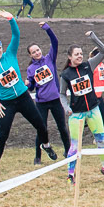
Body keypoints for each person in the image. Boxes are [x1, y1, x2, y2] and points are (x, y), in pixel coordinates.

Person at [0, 14, 54, 168]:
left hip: (23, 97)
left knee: (40, 125)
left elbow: (16, 34)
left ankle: (46, 145)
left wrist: (11, 20)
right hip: (7, 102)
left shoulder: (10, 54)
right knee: (3, 135)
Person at [61, 30, 104, 180]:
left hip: (93, 110)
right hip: (76, 114)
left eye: (81, 53)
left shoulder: (88, 65)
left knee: (101, 140)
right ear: (69, 57)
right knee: (75, 145)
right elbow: (61, 94)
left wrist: (93, 37)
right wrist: (66, 107)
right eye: (76, 54)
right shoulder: (65, 75)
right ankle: (71, 174)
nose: (79, 56)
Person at [28, 23, 74, 157]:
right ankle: (38, 156)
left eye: (37, 50)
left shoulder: (49, 59)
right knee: (41, 129)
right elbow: (31, 87)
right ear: (30, 55)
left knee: (62, 128)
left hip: (55, 100)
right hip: (41, 103)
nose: (37, 53)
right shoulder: (31, 69)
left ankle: (68, 151)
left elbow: (55, 42)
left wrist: (47, 28)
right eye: (33, 52)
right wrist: (28, 84)